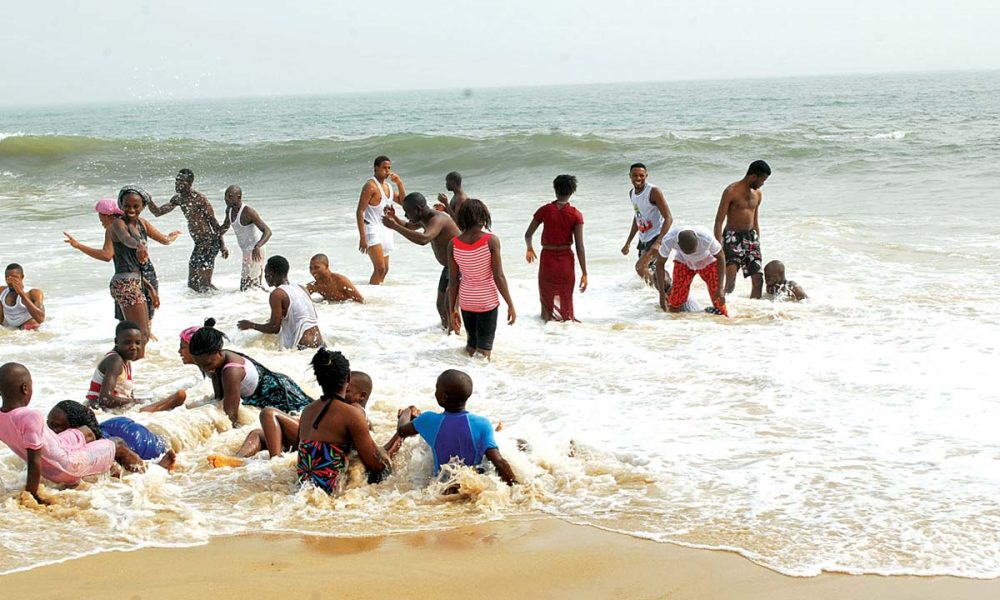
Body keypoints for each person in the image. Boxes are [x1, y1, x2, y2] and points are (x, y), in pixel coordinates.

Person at [0, 363, 145, 504]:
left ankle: (107, 466)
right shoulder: (30, 416)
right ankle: (144, 476)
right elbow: (33, 461)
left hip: (56, 453)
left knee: (86, 432)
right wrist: (32, 496)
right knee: (118, 444)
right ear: (25, 388)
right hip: (67, 466)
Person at [207, 370, 381, 468]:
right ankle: (239, 460)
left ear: (361, 396)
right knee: (258, 434)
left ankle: (275, 462)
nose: (342, 392)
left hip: (311, 441)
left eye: (347, 391)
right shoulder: (348, 410)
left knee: (269, 413)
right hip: (311, 441)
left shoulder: (355, 411)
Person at [64, 198, 181, 328]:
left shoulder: (112, 228)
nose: (101, 221)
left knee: (128, 325)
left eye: (100, 217)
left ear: (106, 215)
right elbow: (165, 240)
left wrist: (78, 245)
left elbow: (106, 255)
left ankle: (138, 344)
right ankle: (148, 345)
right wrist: (171, 237)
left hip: (128, 280)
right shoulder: (141, 223)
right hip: (147, 274)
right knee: (146, 323)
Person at [396, 369, 516, 486]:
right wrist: (515, 487)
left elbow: (401, 431)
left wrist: (406, 412)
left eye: (437, 389)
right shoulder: (482, 424)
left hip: (442, 488)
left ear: (443, 397)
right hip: (472, 485)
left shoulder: (428, 420)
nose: (435, 392)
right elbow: (498, 462)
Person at [297, 349, 393, 494]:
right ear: (348, 378)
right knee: (385, 471)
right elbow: (375, 464)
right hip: (332, 493)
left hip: (303, 488)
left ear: (318, 380)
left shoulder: (307, 411)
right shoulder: (352, 415)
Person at [187, 321, 313, 426]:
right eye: (200, 365)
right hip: (272, 386)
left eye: (207, 365)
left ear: (219, 352)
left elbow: (230, 416)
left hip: (281, 394)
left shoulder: (231, 371)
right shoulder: (215, 361)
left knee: (310, 419)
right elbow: (219, 398)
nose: (205, 369)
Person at [447, 199, 517, 359]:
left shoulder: (453, 244)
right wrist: (510, 304)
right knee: (484, 351)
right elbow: (498, 276)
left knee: (471, 347)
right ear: (483, 217)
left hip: (466, 301)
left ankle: (468, 375)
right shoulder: (491, 241)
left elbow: (453, 280)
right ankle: (483, 379)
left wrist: (453, 309)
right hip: (486, 302)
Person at [383, 192, 461, 328]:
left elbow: (423, 239)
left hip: (460, 266)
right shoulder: (423, 218)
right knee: (441, 305)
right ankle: (446, 336)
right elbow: (408, 226)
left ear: (418, 209)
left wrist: (394, 226)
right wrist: (394, 218)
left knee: (450, 306)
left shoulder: (437, 219)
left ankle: (456, 337)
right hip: (449, 267)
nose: (406, 215)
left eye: (407, 212)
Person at [146, 169, 228, 292]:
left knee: (205, 285)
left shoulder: (199, 198)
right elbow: (158, 212)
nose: (177, 184)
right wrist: (148, 200)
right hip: (199, 244)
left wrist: (222, 246)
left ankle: (219, 303)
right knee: (193, 284)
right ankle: (206, 305)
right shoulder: (178, 199)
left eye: (181, 181)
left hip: (209, 243)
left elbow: (214, 223)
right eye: (176, 181)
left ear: (189, 184)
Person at [524, 174, 588, 322]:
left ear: (555, 189)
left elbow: (528, 234)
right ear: (572, 192)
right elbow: (580, 246)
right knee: (566, 295)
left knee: (546, 296)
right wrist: (584, 272)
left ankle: (545, 330)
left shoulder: (545, 210)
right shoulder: (576, 214)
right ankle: (566, 327)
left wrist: (529, 248)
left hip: (547, 258)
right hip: (566, 259)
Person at [86, 321, 188, 413]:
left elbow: (127, 395)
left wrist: (136, 401)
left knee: (166, 401)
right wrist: (136, 402)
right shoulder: (115, 360)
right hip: (101, 412)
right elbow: (105, 400)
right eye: (127, 342)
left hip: (112, 411)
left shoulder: (125, 360)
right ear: (116, 341)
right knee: (177, 398)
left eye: (137, 343)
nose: (134, 347)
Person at [108, 186, 161, 354]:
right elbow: (125, 239)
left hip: (136, 281)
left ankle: (123, 368)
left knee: (140, 335)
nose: (131, 209)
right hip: (125, 283)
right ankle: (123, 368)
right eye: (126, 205)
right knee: (141, 335)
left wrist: (150, 289)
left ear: (143, 207)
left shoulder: (140, 225)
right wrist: (138, 245)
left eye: (135, 206)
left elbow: (136, 269)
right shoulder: (118, 224)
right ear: (121, 205)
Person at [46, 401, 176, 468]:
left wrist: (153, 469)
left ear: (76, 429)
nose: (49, 431)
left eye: (55, 426)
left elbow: (126, 460)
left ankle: (159, 467)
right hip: (110, 427)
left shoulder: (99, 448)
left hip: (133, 437)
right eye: (48, 425)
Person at [238, 255, 323, 349]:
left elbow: (274, 328)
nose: (265, 277)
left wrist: (251, 325)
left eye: (266, 273)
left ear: (272, 273)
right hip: (319, 343)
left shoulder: (277, 294)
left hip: (303, 347)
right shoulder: (301, 288)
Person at [714, 160, 771, 299]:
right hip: (732, 238)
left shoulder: (758, 194)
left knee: (758, 280)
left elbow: (755, 219)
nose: (762, 184)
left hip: (751, 237)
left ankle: (754, 313)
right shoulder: (731, 191)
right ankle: (721, 309)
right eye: (762, 180)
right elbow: (719, 221)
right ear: (753, 176)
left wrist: (757, 240)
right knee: (730, 281)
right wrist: (718, 245)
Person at [654, 226, 728, 317]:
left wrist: (720, 288)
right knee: (675, 301)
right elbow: (660, 264)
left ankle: (725, 321)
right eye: (688, 252)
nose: (693, 254)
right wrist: (661, 294)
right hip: (684, 262)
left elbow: (721, 257)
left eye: (694, 250)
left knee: (718, 299)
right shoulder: (669, 240)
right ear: (677, 244)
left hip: (707, 261)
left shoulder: (706, 238)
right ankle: (675, 326)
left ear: (698, 240)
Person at [356, 156, 406, 284]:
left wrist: (399, 183)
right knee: (380, 268)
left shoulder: (388, 187)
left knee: (386, 269)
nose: (387, 171)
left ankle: (378, 294)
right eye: (384, 168)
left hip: (386, 229)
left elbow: (403, 202)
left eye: (389, 168)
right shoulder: (370, 186)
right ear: (376, 168)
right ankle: (370, 297)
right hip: (371, 228)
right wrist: (362, 237)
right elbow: (360, 211)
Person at [621, 163, 673, 285]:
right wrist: (628, 242)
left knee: (640, 267)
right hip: (644, 239)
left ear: (646, 175)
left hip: (656, 237)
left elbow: (669, 217)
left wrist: (658, 242)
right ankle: (665, 294)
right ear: (630, 176)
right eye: (635, 175)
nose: (638, 178)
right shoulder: (632, 193)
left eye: (641, 175)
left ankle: (665, 294)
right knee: (653, 271)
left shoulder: (653, 191)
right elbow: (637, 217)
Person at [219, 185, 271, 291]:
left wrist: (257, 246)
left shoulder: (248, 211)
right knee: (249, 287)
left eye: (229, 196)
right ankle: (263, 302)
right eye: (225, 196)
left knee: (248, 288)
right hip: (246, 251)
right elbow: (224, 228)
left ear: (238, 197)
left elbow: (267, 231)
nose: (226, 199)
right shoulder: (229, 210)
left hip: (255, 251)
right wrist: (221, 245)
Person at [0, 263, 45, 330]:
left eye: (14, 277)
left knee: (32, 325)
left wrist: (21, 293)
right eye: (7, 277)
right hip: (12, 326)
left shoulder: (33, 293)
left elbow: (40, 319)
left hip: (28, 325)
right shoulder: (2, 291)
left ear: (22, 277)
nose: (10, 281)